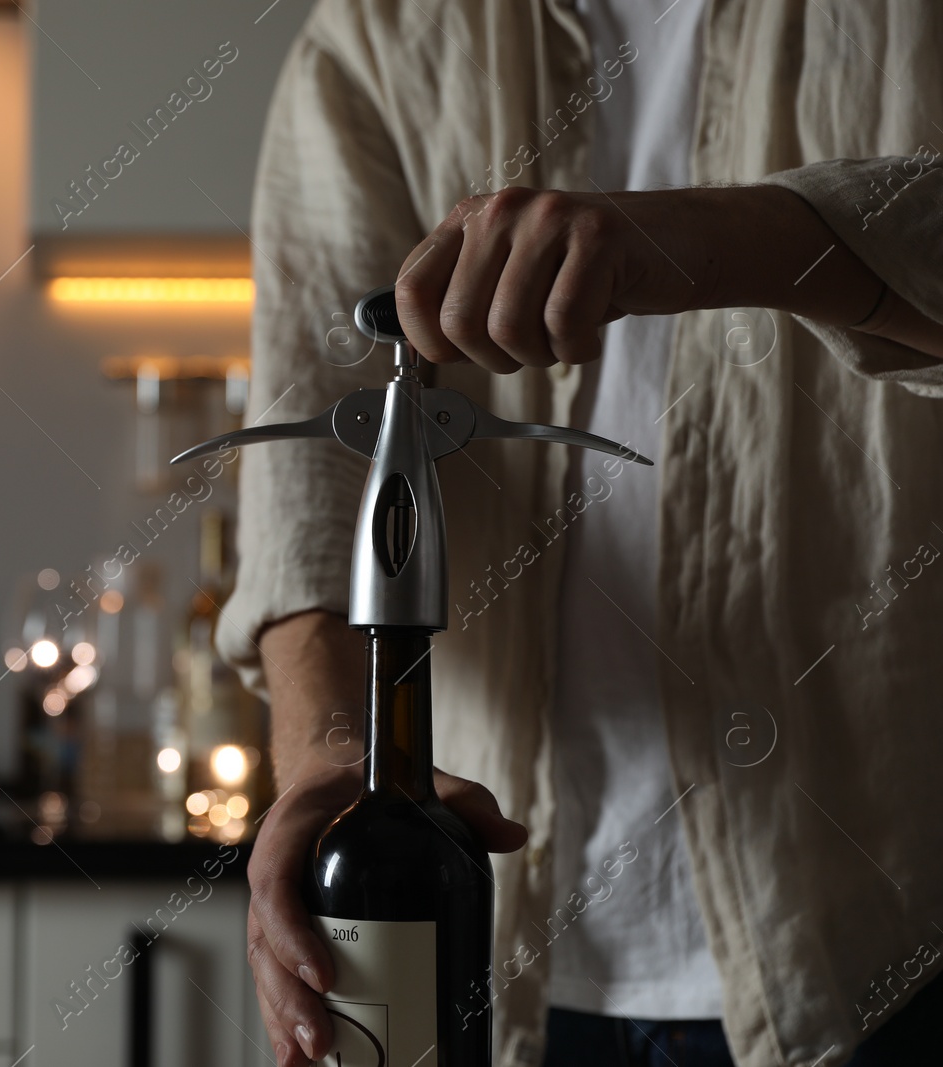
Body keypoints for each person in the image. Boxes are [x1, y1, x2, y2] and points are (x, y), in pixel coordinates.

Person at [217, 1, 943, 1064]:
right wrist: (331, 750)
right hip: (495, 956)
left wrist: (717, 241)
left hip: (883, 946)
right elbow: (312, 472)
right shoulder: (379, 32)